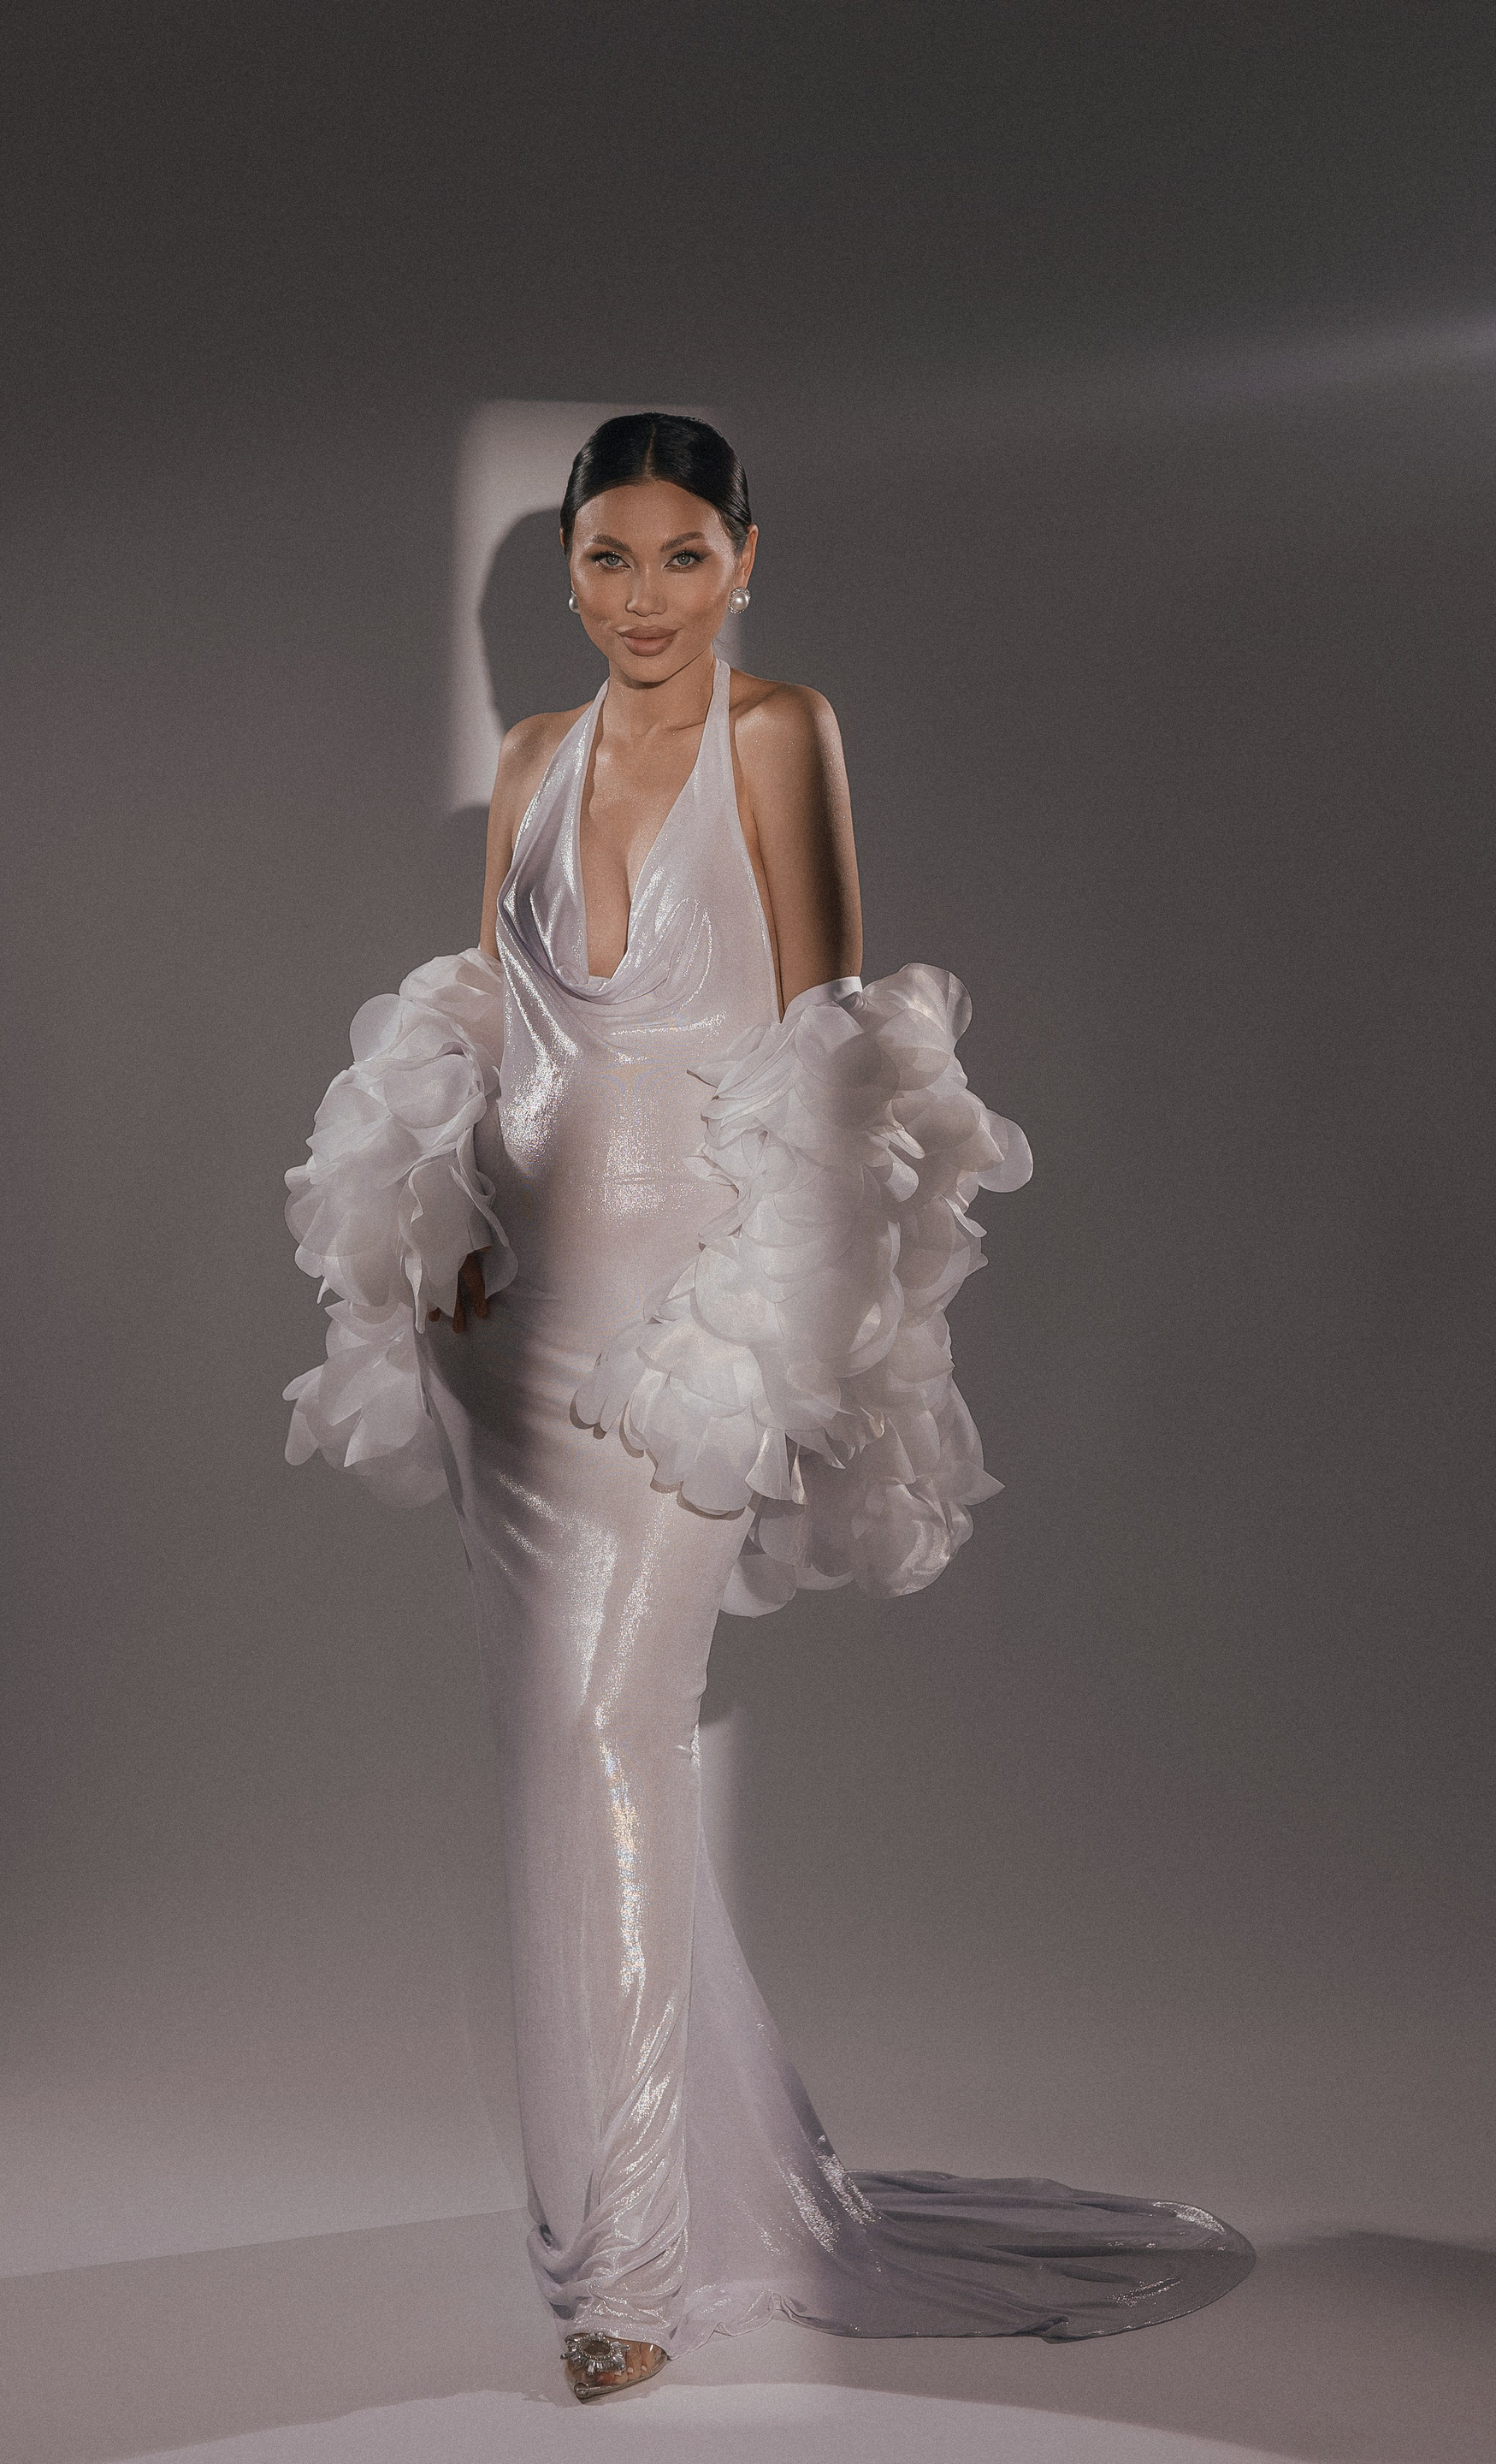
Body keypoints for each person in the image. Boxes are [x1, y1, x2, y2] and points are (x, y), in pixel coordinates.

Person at [281, 413, 1254, 2402]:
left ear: (745, 560)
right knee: (556, 1764)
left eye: (681, 555)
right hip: (501, 1338)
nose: (641, 596)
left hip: (679, 1342)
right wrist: (441, 1215)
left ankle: (624, 2270)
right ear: (566, 572)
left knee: (604, 1747)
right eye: (606, 557)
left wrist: (788, 1333)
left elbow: (828, 1043)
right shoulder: (534, 762)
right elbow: (494, 1023)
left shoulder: (781, 735)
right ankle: (642, 2216)